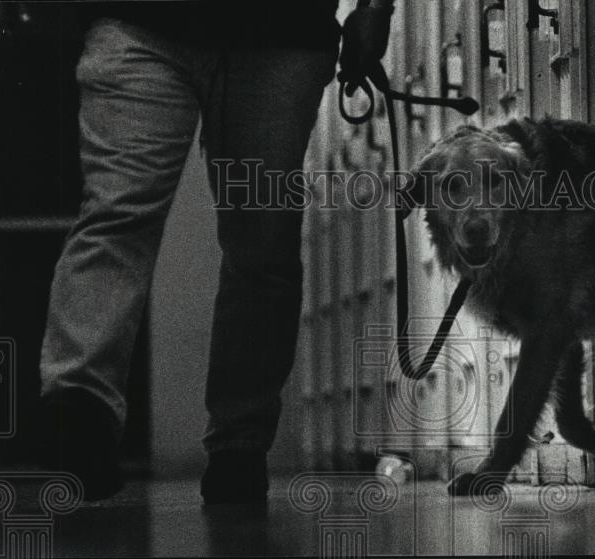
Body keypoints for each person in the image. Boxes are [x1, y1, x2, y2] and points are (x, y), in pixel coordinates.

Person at [38, 0, 393, 503]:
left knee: (263, 241)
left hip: (281, 36)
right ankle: (79, 413)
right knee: (120, 212)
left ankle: (239, 445)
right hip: (142, 22)